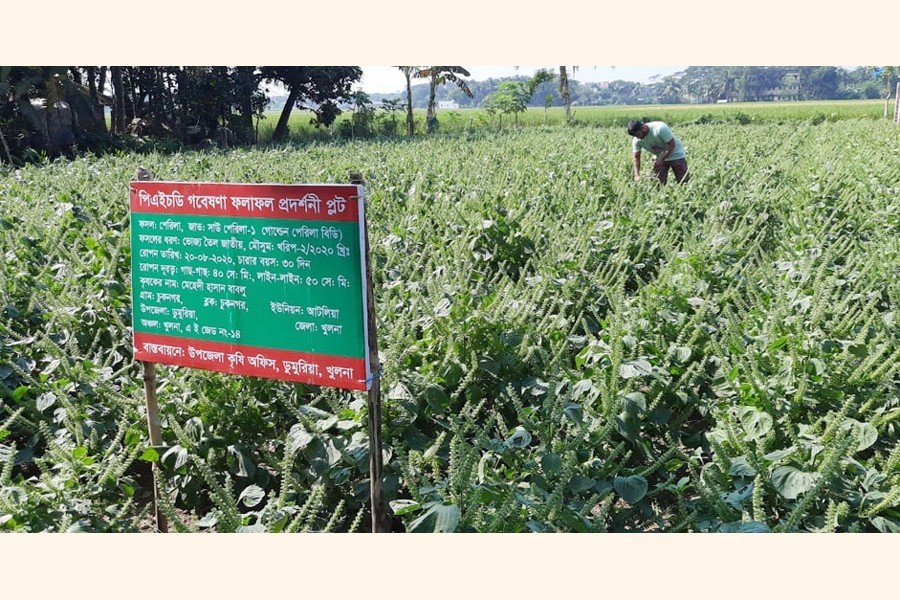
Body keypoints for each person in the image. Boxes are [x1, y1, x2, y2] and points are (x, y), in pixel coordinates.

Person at [627, 120, 690, 184]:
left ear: (642, 127)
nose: (638, 138)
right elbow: (636, 156)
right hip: (659, 157)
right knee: (657, 183)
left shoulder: (660, 128)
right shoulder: (637, 140)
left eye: (638, 134)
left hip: (676, 154)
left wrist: (660, 159)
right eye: (635, 136)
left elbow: (671, 144)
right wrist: (637, 174)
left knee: (683, 181)